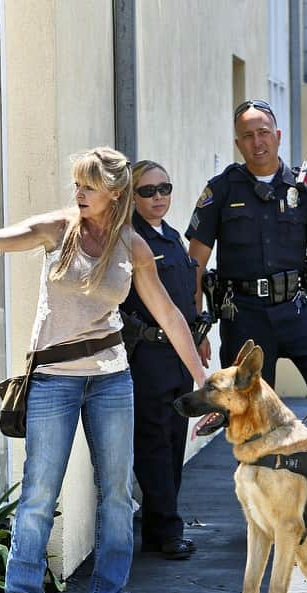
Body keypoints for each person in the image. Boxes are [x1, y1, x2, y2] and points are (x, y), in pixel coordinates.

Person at [0, 147, 207, 593]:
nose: (78, 192)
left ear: (114, 192)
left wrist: (203, 379)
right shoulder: (57, 230)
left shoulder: (133, 247)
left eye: (88, 185)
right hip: (53, 381)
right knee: (40, 492)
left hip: (111, 380)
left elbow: (169, 314)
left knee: (118, 494)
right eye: (76, 184)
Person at [185, 99, 307, 487]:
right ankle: (262, 495)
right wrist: (197, 329)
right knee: (251, 413)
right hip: (243, 314)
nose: (257, 141)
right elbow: (194, 263)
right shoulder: (220, 190)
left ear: (278, 136)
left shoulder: (305, 188)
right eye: (247, 135)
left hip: (299, 312)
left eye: (263, 133)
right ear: (238, 143)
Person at [120, 160, 201, 560]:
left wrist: (198, 341)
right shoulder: (130, 239)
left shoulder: (170, 237)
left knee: (173, 441)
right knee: (153, 442)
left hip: (177, 358)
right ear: (132, 197)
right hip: (147, 356)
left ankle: (159, 525)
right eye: (148, 191)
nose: (158, 198)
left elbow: (184, 300)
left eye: (164, 189)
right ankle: (167, 528)